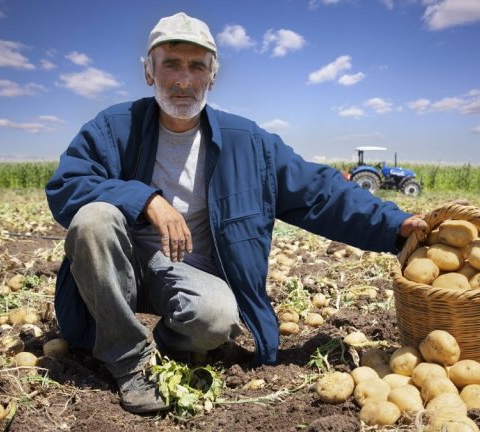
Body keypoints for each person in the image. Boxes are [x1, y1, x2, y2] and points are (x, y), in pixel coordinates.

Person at [45, 11, 427, 414]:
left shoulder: (248, 142)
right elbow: (66, 186)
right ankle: (129, 361)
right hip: (116, 267)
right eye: (171, 64)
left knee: (214, 318)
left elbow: (318, 191)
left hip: (185, 274)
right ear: (148, 72)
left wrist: (394, 226)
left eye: (197, 67)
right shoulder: (114, 128)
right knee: (94, 219)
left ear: (213, 75)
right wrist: (146, 200)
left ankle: (165, 343)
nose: (183, 80)